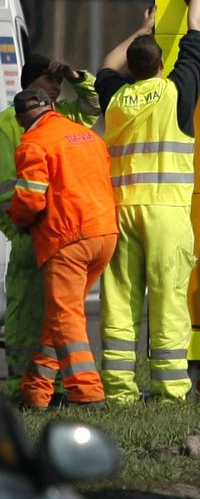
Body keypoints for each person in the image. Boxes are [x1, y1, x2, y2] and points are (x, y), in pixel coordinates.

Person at [94, 0, 200, 404]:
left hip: (120, 212)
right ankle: (169, 388)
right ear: (162, 63)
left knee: (120, 301)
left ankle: (120, 390)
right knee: (167, 298)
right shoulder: (176, 92)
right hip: (165, 212)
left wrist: (141, 29)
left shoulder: (116, 97)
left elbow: (107, 62)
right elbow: (197, 30)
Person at [0, 50, 107, 386]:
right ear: (29, 83)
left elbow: (97, 104)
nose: (56, 87)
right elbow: (6, 188)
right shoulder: (7, 125)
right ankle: (23, 384)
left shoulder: (62, 117)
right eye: (50, 79)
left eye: (59, 81)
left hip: (62, 235)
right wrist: (18, 232)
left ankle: (51, 385)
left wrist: (76, 76)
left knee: (59, 316)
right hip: (30, 232)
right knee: (28, 314)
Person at [8, 88, 118, 410]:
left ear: (19, 120)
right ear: (53, 107)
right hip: (104, 234)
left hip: (67, 237)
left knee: (65, 316)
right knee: (61, 314)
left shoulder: (32, 144)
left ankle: (86, 393)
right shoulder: (85, 136)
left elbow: (30, 198)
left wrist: (16, 219)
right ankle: (36, 392)